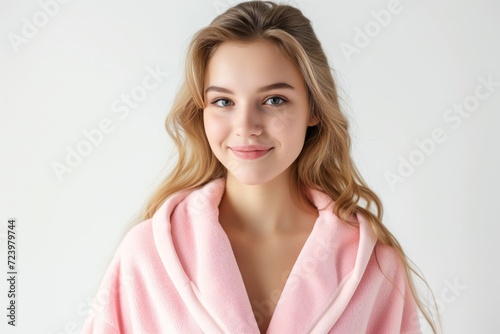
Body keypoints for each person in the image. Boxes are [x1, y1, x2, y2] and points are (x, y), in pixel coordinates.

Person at [82, 1, 439, 333]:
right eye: (223, 101)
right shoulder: (147, 255)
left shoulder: (375, 267)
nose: (246, 125)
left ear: (314, 108)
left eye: (273, 100)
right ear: (201, 111)